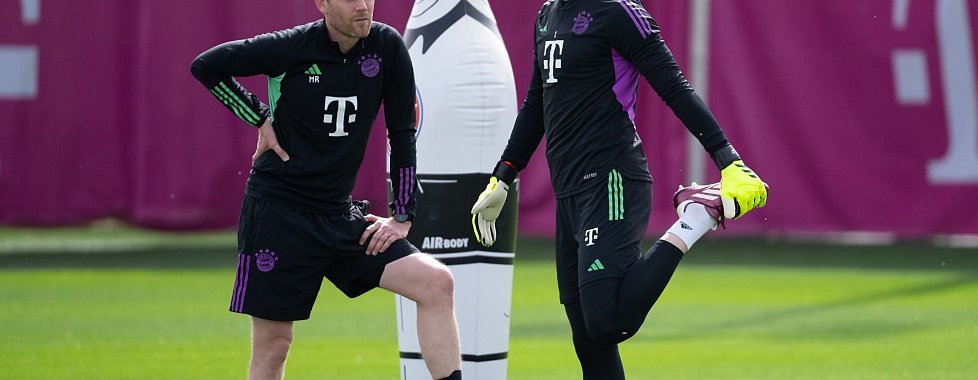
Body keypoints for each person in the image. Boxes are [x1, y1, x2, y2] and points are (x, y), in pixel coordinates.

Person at [469, 0, 768, 378]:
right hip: (569, 194)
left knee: (609, 321)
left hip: (612, 180)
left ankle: (696, 216)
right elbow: (536, 104)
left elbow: (674, 86)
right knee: (590, 346)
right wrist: (503, 176)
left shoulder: (617, 11)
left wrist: (728, 161)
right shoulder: (548, 14)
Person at [190, 0, 462, 379]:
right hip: (278, 215)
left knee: (436, 283)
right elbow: (206, 65)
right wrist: (259, 117)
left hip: (337, 215)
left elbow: (401, 133)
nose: (363, 6)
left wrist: (402, 215)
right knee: (274, 346)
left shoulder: (386, 47)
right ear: (322, 3)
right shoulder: (291, 46)